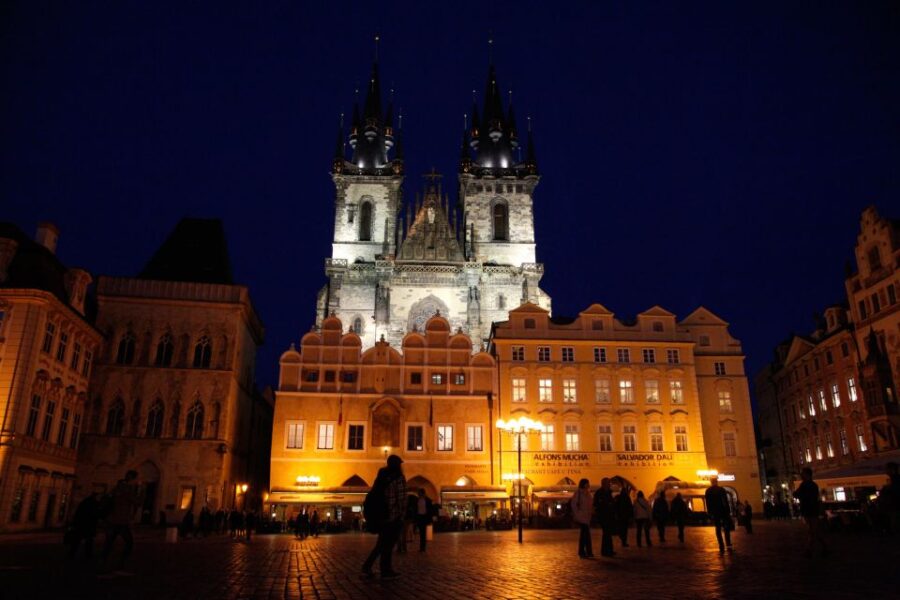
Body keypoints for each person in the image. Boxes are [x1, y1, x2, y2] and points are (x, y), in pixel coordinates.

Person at [362, 454, 407, 579]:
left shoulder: (381, 477)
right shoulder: (398, 478)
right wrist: (401, 515)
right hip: (393, 517)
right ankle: (384, 570)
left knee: (381, 544)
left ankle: (372, 567)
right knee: (387, 545)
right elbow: (402, 499)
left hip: (382, 515)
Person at [101, 470, 141, 570]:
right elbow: (138, 502)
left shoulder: (116, 487)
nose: (137, 481)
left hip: (111, 520)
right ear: (133, 479)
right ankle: (120, 564)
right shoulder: (127, 489)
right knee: (129, 543)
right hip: (121, 521)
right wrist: (141, 490)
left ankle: (102, 565)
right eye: (136, 479)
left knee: (108, 544)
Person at [794, 467, 828, 558]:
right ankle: (824, 547)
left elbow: (796, 494)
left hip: (810, 510)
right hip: (811, 510)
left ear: (807, 474)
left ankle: (809, 550)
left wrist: (800, 495)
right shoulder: (813, 485)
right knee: (814, 530)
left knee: (812, 531)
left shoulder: (806, 485)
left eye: (803, 473)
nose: (801, 475)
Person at [705, 476, 733, 554]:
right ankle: (728, 543)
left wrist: (710, 513)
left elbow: (708, 503)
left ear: (711, 482)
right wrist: (728, 511)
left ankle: (721, 545)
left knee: (718, 528)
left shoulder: (708, 491)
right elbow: (725, 501)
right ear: (717, 482)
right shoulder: (721, 489)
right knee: (726, 528)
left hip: (715, 512)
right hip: (723, 511)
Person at [68, 493, 100, 559]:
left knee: (78, 540)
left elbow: (78, 513)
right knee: (87, 541)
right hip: (87, 525)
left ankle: (72, 554)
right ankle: (87, 555)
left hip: (81, 524)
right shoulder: (93, 504)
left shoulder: (85, 502)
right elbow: (95, 515)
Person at [592, 477, 616, 557]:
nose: (609, 484)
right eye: (608, 483)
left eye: (609, 483)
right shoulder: (599, 493)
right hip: (603, 515)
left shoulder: (608, 492)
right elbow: (596, 504)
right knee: (606, 533)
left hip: (609, 515)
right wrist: (605, 505)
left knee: (608, 533)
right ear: (604, 484)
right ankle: (606, 551)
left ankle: (608, 550)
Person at [570, 478, 593, 558]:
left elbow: (590, 504)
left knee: (585, 535)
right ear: (583, 484)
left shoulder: (588, 493)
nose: (588, 484)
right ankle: (586, 552)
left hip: (587, 517)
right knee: (585, 534)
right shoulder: (578, 493)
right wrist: (578, 513)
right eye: (587, 483)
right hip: (581, 517)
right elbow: (573, 504)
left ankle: (584, 552)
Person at [880, 462, 900, 534]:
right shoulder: (892, 480)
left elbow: (892, 492)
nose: (886, 471)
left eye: (887, 469)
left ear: (892, 470)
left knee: (895, 525)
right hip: (893, 507)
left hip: (895, 507)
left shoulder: (895, 480)